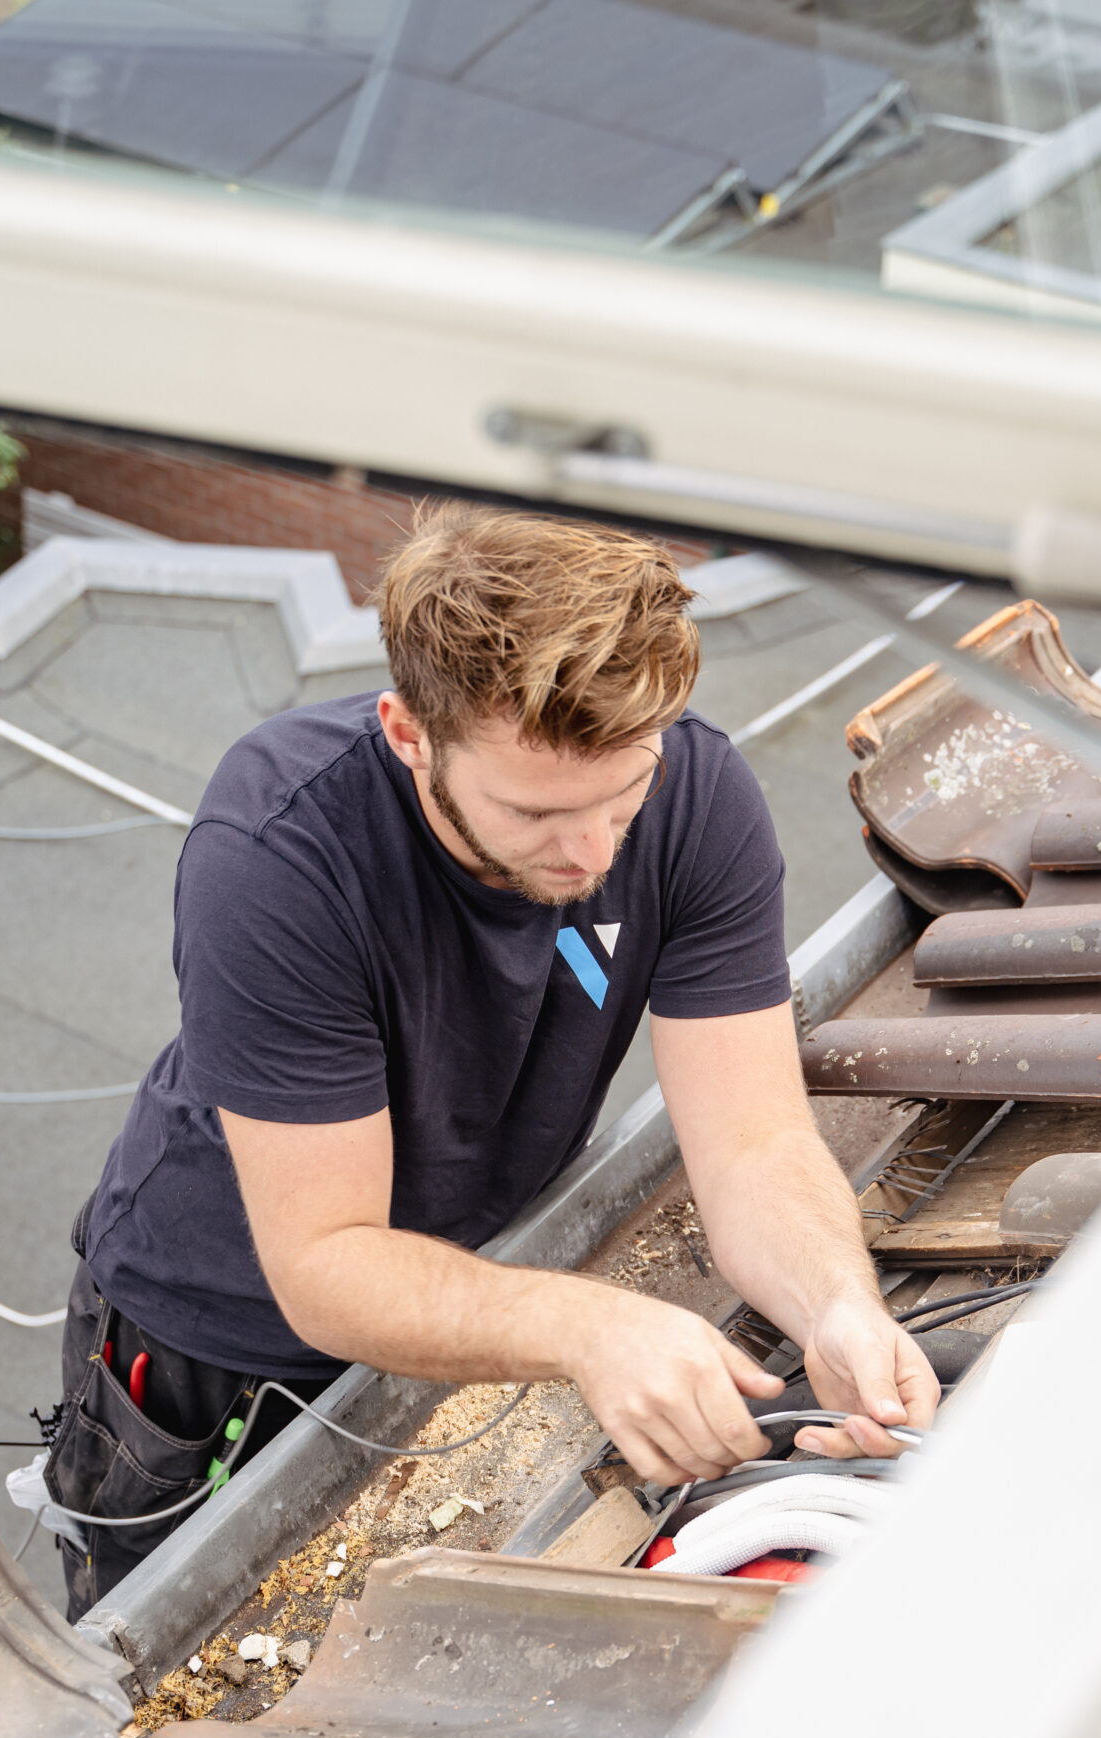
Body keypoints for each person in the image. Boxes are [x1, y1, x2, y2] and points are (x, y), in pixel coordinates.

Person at [45, 506, 937, 1612]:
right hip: (216, 1347)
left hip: (468, 1268)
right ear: (408, 732)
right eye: (536, 810)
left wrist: (837, 1303)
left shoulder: (697, 794)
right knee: (169, 1664)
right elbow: (327, 1260)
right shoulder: (280, 853)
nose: (595, 849)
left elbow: (753, 1139)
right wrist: (587, 1323)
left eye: (626, 792)